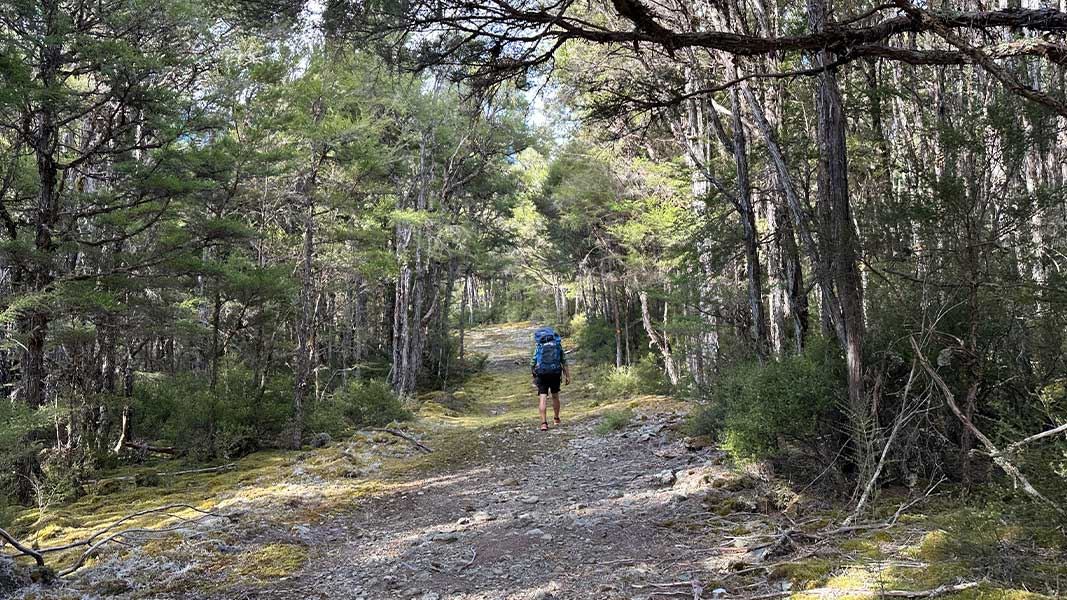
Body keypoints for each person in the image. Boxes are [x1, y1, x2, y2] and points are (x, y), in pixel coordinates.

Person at [530, 326, 571, 431]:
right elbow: (564, 361)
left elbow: (533, 361)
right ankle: (556, 419)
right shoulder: (557, 344)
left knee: (543, 397)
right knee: (555, 396)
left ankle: (543, 423)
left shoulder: (539, 345)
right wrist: (567, 375)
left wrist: (533, 374)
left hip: (542, 373)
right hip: (555, 372)